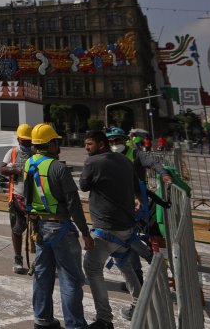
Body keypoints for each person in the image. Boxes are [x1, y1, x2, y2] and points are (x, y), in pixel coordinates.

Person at [24, 123, 93, 329]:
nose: (58, 145)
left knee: (42, 274)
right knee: (70, 278)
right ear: (50, 144)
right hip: (60, 226)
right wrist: (85, 233)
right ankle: (75, 324)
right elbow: (73, 204)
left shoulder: (29, 164)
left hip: (39, 227)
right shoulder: (59, 168)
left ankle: (42, 320)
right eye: (56, 141)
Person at [81, 130, 142, 328]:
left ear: (100, 144)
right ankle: (139, 304)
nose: (86, 148)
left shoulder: (93, 163)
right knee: (124, 263)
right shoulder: (124, 161)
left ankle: (104, 319)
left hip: (107, 228)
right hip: (126, 227)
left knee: (91, 267)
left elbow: (83, 186)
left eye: (89, 144)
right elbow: (136, 187)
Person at [105, 127, 172, 290]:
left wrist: (164, 174)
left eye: (117, 140)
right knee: (128, 243)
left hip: (140, 205)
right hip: (120, 207)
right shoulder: (108, 157)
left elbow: (153, 163)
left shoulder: (135, 154)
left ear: (124, 140)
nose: (114, 144)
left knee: (150, 240)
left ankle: (159, 276)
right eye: (111, 141)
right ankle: (138, 279)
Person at [0, 124, 34, 274]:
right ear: (19, 138)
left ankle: (39, 260)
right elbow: (2, 169)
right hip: (17, 197)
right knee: (17, 230)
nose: (27, 143)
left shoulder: (35, 153)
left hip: (35, 199)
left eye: (29, 140)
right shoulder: (12, 152)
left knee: (37, 232)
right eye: (24, 140)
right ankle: (18, 258)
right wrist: (16, 170)